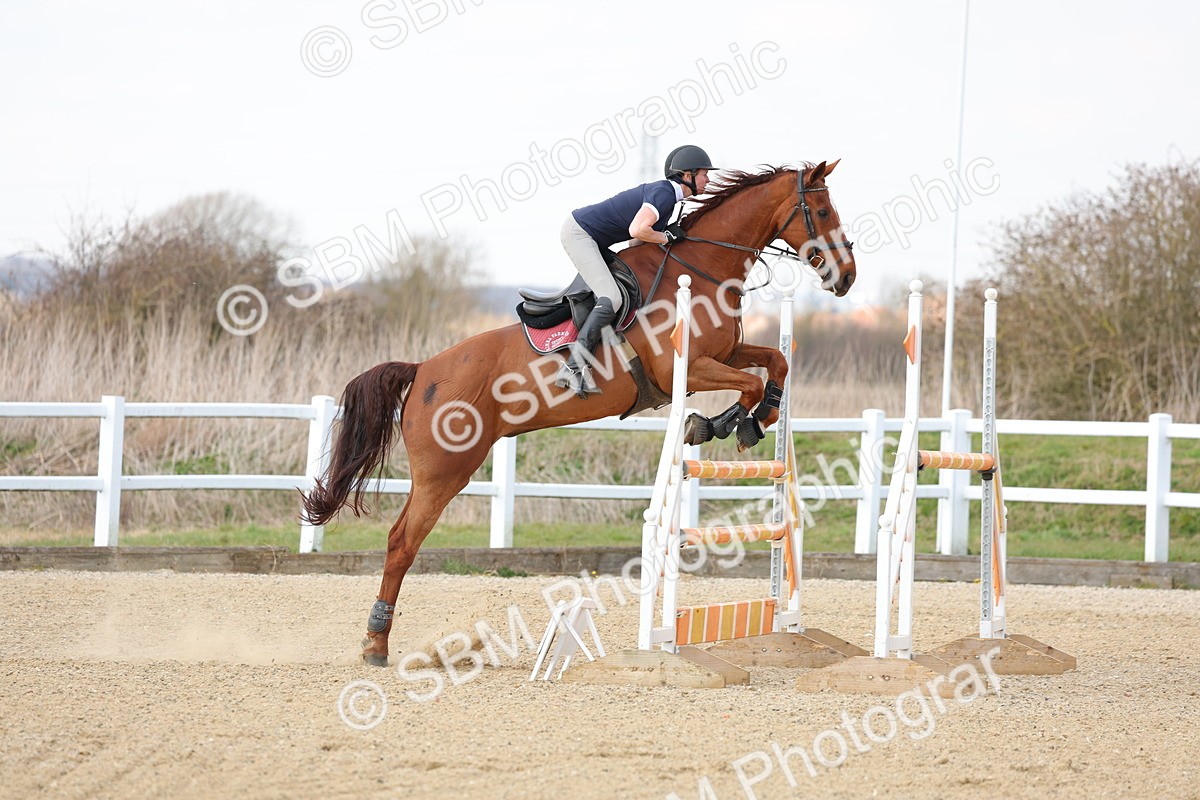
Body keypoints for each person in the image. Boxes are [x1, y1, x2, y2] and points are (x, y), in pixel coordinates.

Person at [555, 144, 717, 397]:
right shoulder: (664, 194)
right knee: (613, 297)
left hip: (591, 236)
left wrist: (663, 238)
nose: (708, 179)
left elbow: (635, 243)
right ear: (688, 176)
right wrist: (665, 236)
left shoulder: (668, 198)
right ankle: (573, 367)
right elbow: (637, 230)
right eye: (704, 174)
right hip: (580, 234)